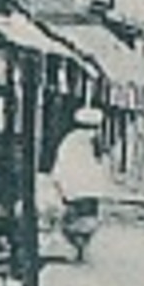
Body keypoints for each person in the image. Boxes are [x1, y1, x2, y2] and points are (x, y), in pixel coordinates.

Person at [48, 106, 109, 263]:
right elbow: (101, 163)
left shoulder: (70, 140)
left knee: (72, 220)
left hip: (73, 188)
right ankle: (81, 248)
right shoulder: (96, 139)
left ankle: (77, 248)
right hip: (90, 188)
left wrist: (58, 181)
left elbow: (62, 163)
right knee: (87, 218)